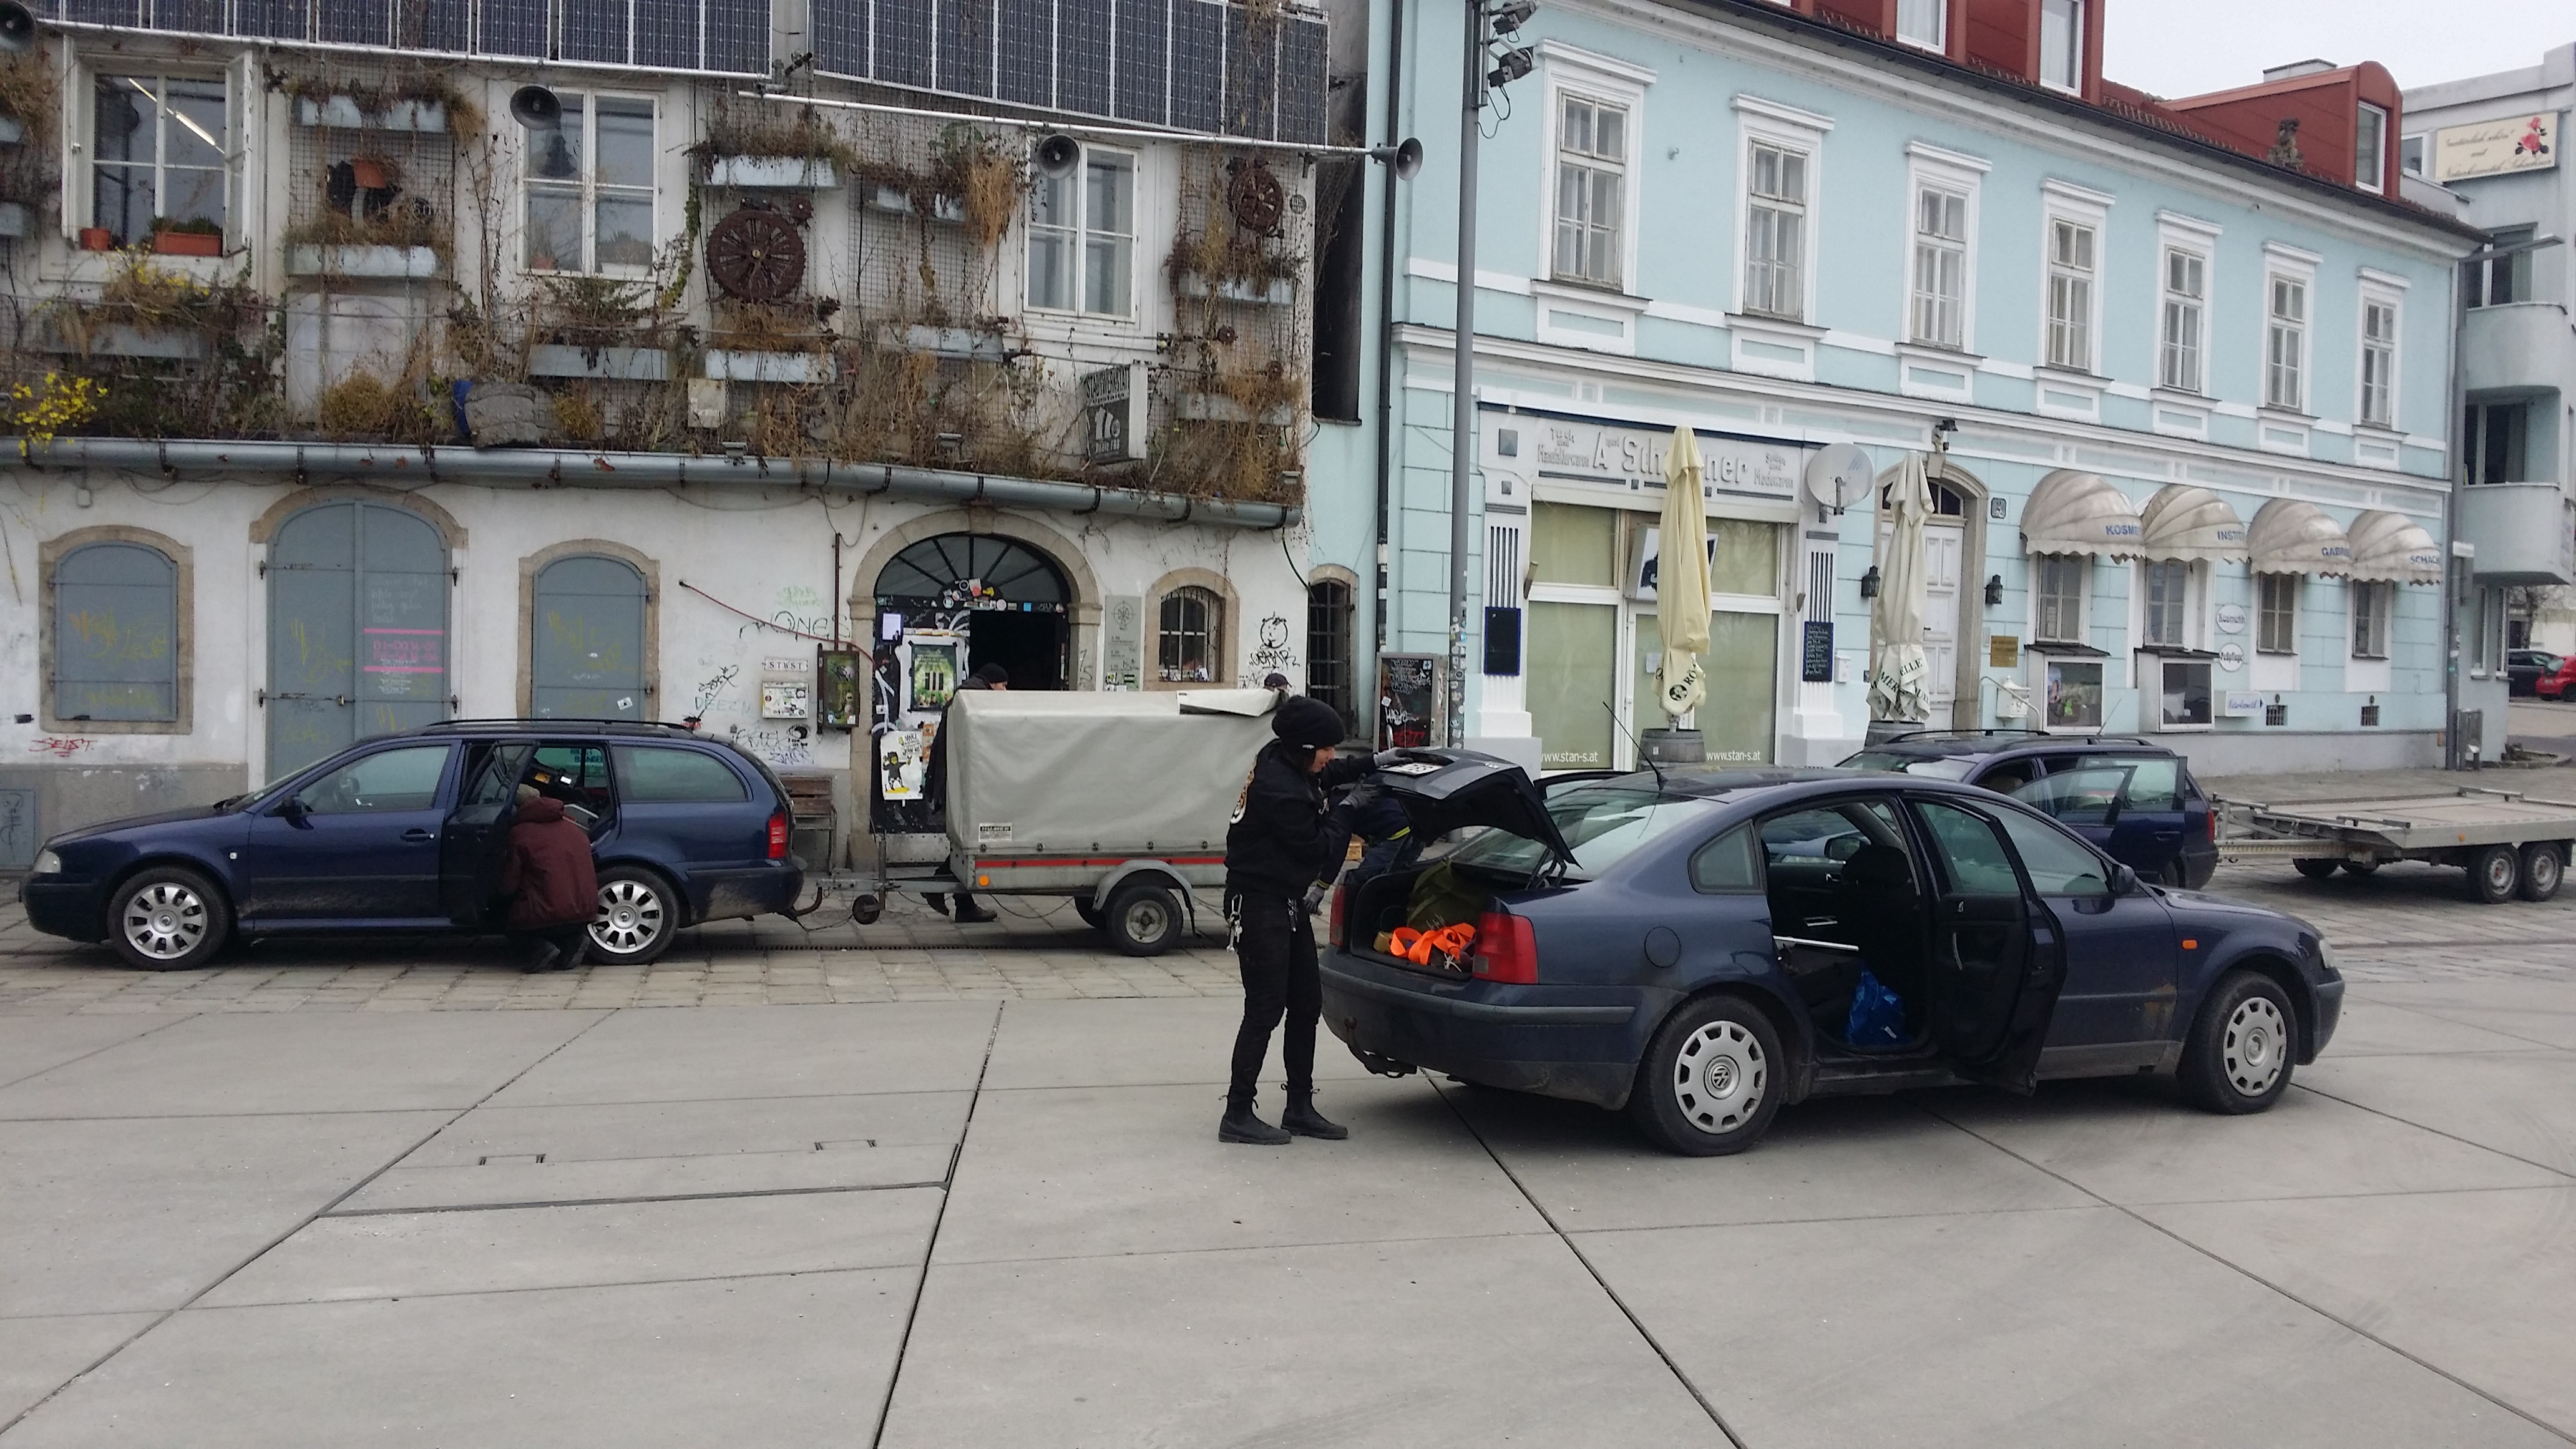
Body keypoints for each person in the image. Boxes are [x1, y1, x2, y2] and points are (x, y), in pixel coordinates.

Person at [1219, 695, 1375, 1144]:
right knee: (1265, 1008)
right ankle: (1236, 1113)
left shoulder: (1283, 757)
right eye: (1326, 748)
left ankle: (1300, 1106)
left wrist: (1376, 762)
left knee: (1306, 1003)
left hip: (1284, 900)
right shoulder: (1280, 790)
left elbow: (1329, 774)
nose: (1331, 757)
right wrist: (1346, 811)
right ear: (1305, 748)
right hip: (1259, 902)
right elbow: (1316, 850)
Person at [923, 661, 1009, 923]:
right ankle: (946, 890)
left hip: (956, 779)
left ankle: (963, 905)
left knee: (967, 842)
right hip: (963, 782)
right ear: (993, 683)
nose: (1006, 691)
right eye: (1004, 685)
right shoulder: (974, 700)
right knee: (971, 842)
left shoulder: (966, 698)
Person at [499, 784, 599, 972]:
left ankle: (541, 949)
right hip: (585, 910)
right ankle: (573, 942)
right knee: (560, 916)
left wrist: (499, 895)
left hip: (547, 915)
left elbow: (509, 883)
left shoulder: (520, 834)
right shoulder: (573, 829)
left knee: (512, 922)